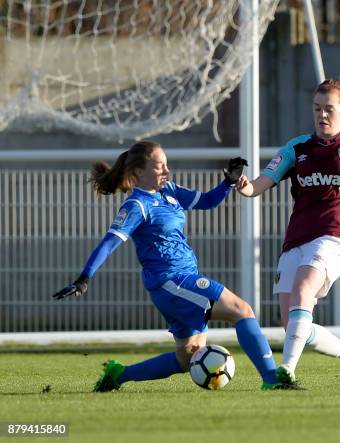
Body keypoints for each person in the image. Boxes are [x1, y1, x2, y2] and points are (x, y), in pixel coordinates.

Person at [52, 141, 292, 391]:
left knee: (187, 357)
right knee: (242, 310)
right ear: (138, 173)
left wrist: (228, 183)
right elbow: (109, 243)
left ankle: (118, 375)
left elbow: (208, 201)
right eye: (159, 167)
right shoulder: (136, 206)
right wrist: (84, 278)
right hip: (171, 282)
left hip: (181, 280)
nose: (166, 171)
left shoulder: (171, 191)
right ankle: (272, 379)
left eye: (167, 164)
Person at [235, 75, 340, 389]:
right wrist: (246, 187)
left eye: (329, 109)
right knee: (295, 326)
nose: (322, 115)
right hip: (297, 238)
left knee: (304, 288)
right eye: (317, 108)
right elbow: (263, 181)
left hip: (335, 237)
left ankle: (285, 371)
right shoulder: (296, 148)